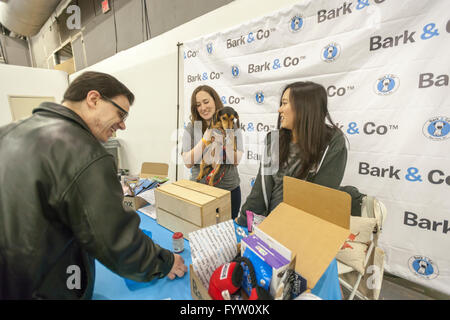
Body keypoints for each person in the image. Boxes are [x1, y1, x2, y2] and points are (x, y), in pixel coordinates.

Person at [0, 71, 187, 299]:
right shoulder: (83, 151)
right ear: (93, 99)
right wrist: (165, 262)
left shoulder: (8, 132)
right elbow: (118, 242)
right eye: (121, 114)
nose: (122, 125)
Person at [235, 81, 347, 227]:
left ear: (304, 106)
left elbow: (321, 201)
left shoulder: (332, 142)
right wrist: (243, 221)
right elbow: (260, 189)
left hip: (303, 231)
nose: (279, 110)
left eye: (285, 103)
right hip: (270, 226)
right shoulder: (274, 140)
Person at [181, 85, 243, 219]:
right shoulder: (192, 128)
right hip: (200, 192)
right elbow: (187, 162)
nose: (203, 108)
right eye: (198, 105)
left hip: (229, 192)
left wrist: (227, 134)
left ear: (215, 101)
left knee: (228, 236)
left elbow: (236, 161)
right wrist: (207, 135)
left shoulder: (232, 124)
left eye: (206, 102)